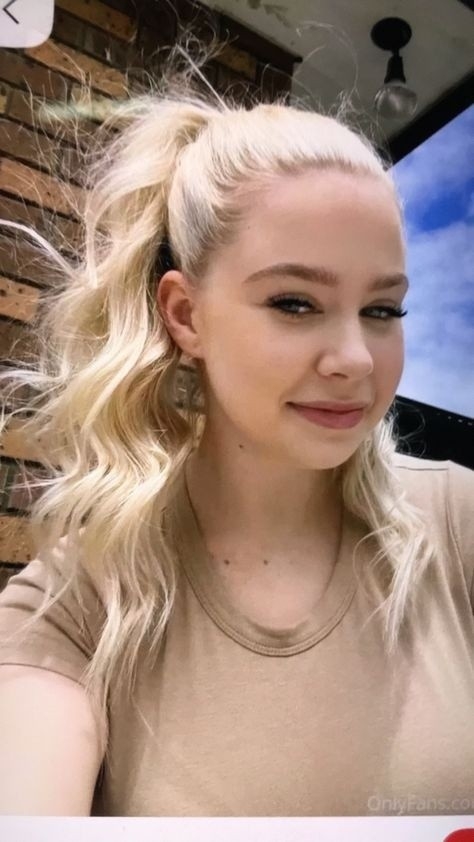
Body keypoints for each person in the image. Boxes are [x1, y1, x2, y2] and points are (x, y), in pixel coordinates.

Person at [0, 37, 472, 819]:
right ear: (186, 314)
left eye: (383, 309)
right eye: (295, 303)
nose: (356, 358)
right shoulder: (80, 600)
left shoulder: (457, 525)